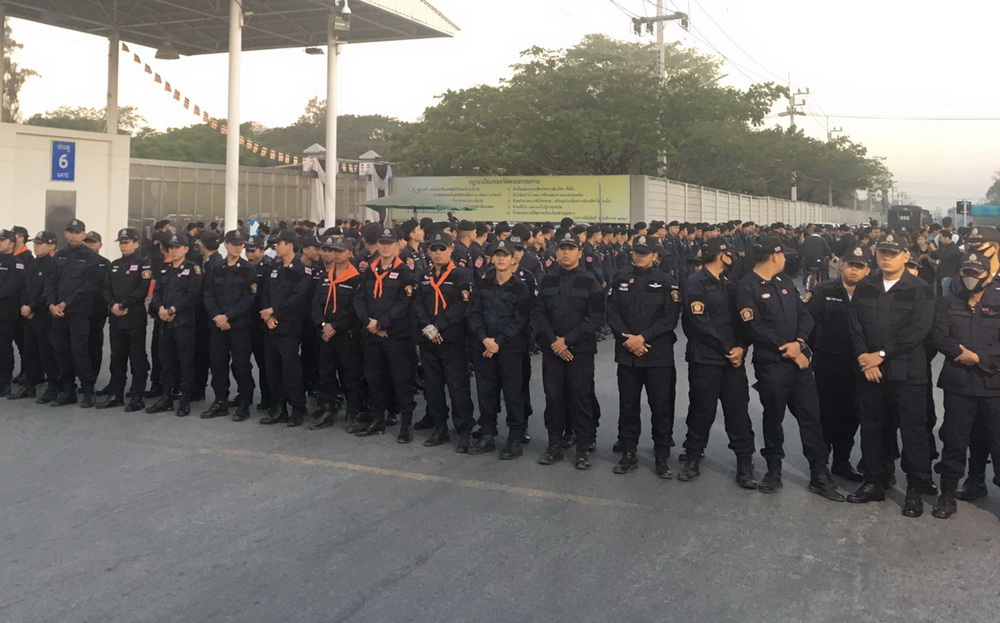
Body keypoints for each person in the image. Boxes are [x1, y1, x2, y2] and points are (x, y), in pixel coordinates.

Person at [735, 235, 846, 501]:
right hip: (772, 364)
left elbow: (804, 314)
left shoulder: (784, 281)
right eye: (783, 254)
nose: (786, 258)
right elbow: (754, 327)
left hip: (800, 361)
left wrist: (798, 343)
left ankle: (819, 474)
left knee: (811, 417)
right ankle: (773, 470)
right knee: (773, 418)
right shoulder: (746, 286)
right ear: (774, 256)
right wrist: (788, 349)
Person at [846, 233, 935, 517]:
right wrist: (865, 360)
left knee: (913, 432)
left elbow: (917, 332)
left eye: (893, 253)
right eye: (882, 252)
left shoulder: (919, 288)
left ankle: (915, 489)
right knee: (872, 427)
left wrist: (880, 356)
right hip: (871, 373)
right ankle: (874, 481)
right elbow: (855, 325)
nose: (886, 257)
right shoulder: (866, 285)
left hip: (907, 373)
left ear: (906, 256)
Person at [677, 237, 757, 487]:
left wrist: (741, 347)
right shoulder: (695, 282)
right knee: (702, 409)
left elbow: (743, 320)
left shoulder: (729, 284)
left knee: (738, 411)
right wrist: (727, 349)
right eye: (729, 253)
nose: (733, 257)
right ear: (720, 256)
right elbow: (699, 323)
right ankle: (692, 456)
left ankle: (744, 462)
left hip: (732, 360)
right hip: (706, 358)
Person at [930, 252, 1000, 518]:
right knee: (955, 440)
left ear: (989, 276)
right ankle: (947, 495)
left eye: (976, 274)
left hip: (993, 384)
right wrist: (963, 354)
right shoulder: (947, 302)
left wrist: (980, 358)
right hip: (958, 384)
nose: (970, 279)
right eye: (966, 273)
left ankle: (978, 481)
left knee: (995, 440)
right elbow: (940, 335)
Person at [606, 235, 682, 478]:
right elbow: (612, 312)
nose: (639, 256)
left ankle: (661, 455)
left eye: (644, 252)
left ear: (655, 255)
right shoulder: (620, 279)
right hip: (628, 353)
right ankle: (629, 452)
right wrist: (628, 339)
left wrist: (643, 338)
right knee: (628, 405)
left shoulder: (667, 282)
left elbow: (670, 319)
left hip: (657, 355)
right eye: (636, 252)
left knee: (661, 406)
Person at [531, 231, 605, 469]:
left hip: (579, 351)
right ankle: (554, 444)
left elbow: (595, 316)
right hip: (553, 350)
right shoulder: (546, 279)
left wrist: (568, 340)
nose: (565, 252)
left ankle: (583, 447)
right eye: (562, 248)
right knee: (553, 398)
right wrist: (554, 340)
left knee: (580, 397)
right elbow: (537, 312)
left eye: (570, 248)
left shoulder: (589, 280)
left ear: (579, 253)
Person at [805, 244, 871, 482]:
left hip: (858, 365)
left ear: (867, 270)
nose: (854, 270)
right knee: (826, 414)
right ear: (842, 264)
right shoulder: (823, 291)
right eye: (851, 265)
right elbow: (806, 323)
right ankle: (821, 466)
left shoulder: (871, 294)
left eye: (859, 267)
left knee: (851, 416)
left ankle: (842, 462)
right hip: (828, 364)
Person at [468, 239, 532, 459]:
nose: (501, 259)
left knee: (513, 393)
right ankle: (487, 431)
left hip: (509, 349)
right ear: (492, 258)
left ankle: (515, 437)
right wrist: (484, 339)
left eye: (505, 255)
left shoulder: (521, 287)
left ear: (513, 258)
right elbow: (474, 313)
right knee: (486, 391)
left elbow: (520, 319)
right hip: (485, 347)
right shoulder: (484, 284)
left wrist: (499, 342)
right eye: (497, 255)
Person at [354, 227, 418, 442]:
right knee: (374, 379)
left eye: (389, 243)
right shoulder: (370, 270)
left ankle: (406, 424)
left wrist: (382, 323)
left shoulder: (405, 272)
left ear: (398, 245)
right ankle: (377, 420)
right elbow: (360, 298)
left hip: (396, 336)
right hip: (372, 334)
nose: (385, 246)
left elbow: (404, 303)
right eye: (382, 242)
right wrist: (368, 323)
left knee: (401, 380)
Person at [412, 230, 476, 449]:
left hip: (452, 340)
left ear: (451, 250)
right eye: (433, 249)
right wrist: (428, 326)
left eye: (442, 248)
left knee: (458, 387)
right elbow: (417, 303)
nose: (437, 253)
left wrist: (438, 326)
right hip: (429, 340)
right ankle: (440, 427)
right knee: (433, 387)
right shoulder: (423, 276)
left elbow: (462, 305)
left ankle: (464, 429)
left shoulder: (461, 275)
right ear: (428, 251)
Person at [310, 236, 367, 431]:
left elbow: (354, 308)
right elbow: (316, 303)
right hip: (326, 333)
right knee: (325, 373)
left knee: (349, 373)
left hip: (345, 333)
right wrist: (323, 324)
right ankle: (328, 408)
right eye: (334, 250)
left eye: (341, 250)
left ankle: (354, 410)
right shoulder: (326, 276)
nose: (336, 254)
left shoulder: (356, 277)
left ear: (351, 252)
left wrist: (335, 326)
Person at [45, 219, 103, 408]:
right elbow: (51, 281)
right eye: (70, 231)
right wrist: (52, 304)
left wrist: (65, 303)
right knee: (61, 352)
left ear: (84, 235)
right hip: (58, 314)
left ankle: (88, 391)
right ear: (65, 234)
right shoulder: (60, 256)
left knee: (79, 352)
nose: (73, 235)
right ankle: (68, 391)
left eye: (77, 232)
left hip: (79, 313)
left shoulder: (90, 257)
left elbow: (88, 286)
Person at [259, 230, 313, 427]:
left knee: (291, 369)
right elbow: (265, 292)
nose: (275, 246)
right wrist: (267, 313)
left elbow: (297, 298)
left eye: (279, 243)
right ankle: (279, 407)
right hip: (271, 326)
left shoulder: (302, 270)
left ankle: (298, 407)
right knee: (272, 368)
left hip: (289, 327)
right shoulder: (274, 268)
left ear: (289, 245)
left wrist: (275, 312)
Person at [201, 230, 257, 421]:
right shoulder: (216, 267)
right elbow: (208, 294)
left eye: (240, 244)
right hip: (218, 325)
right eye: (234, 244)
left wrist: (228, 316)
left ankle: (244, 403)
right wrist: (217, 316)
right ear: (225, 245)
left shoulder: (247, 269)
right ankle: (220, 401)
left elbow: (249, 297)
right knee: (218, 364)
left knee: (241, 365)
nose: (238, 247)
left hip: (239, 326)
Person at [146, 234, 203, 416]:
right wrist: (161, 308)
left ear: (186, 249)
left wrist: (172, 310)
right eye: (171, 247)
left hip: (183, 323)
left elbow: (193, 295)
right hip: (164, 323)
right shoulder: (165, 268)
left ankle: (184, 399)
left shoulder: (192, 269)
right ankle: (166, 397)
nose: (173, 250)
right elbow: (157, 292)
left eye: (178, 247)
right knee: (166, 361)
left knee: (185, 362)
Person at [96, 228, 151, 412]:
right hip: (116, 318)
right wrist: (112, 305)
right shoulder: (114, 265)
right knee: (117, 358)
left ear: (136, 244)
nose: (123, 245)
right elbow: (105, 289)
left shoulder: (143, 264)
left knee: (137, 357)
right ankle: (116, 394)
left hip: (134, 317)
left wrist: (125, 304)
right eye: (121, 242)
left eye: (126, 242)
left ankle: (137, 395)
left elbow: (142, 290)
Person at [12, 231, 60, 403]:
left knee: (46, 352)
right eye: (36, 243)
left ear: (52, 245)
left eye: (41, 243)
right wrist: (25, 305)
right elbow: (24, 287)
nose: (36, 246)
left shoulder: (52, 265)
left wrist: (31, 307)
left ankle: (53, 387)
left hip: (43, 315)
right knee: (29, 351)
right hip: (29, 314)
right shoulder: (32, 264)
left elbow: (48, 291)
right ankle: (30, 386)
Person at [245, 236, 273, 412]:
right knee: (242, 361)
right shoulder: (243, 268)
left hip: (261, 322)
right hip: (244, 321)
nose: (250, 254)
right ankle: (244, 395)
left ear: (261, 251)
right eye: (247, 250)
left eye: (253, 250)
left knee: (264, 362)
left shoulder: (268, 268)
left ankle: (268, 396)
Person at [84, 231, 111, 392]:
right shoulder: (78, 261)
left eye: (93, 242)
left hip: (97, 310)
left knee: (94, 343)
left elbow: (108, 287)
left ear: (100, 245)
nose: (89, 245)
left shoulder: (105, 264)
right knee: (78, 345)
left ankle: (91, 378)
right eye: (87, 242)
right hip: (79, 310)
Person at [0, 230, 26, 395]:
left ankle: (4, 381)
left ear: (11, 243)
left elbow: (12, 286)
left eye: (3, 240)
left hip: (5, 312)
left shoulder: (17, 263)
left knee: (3, 347)